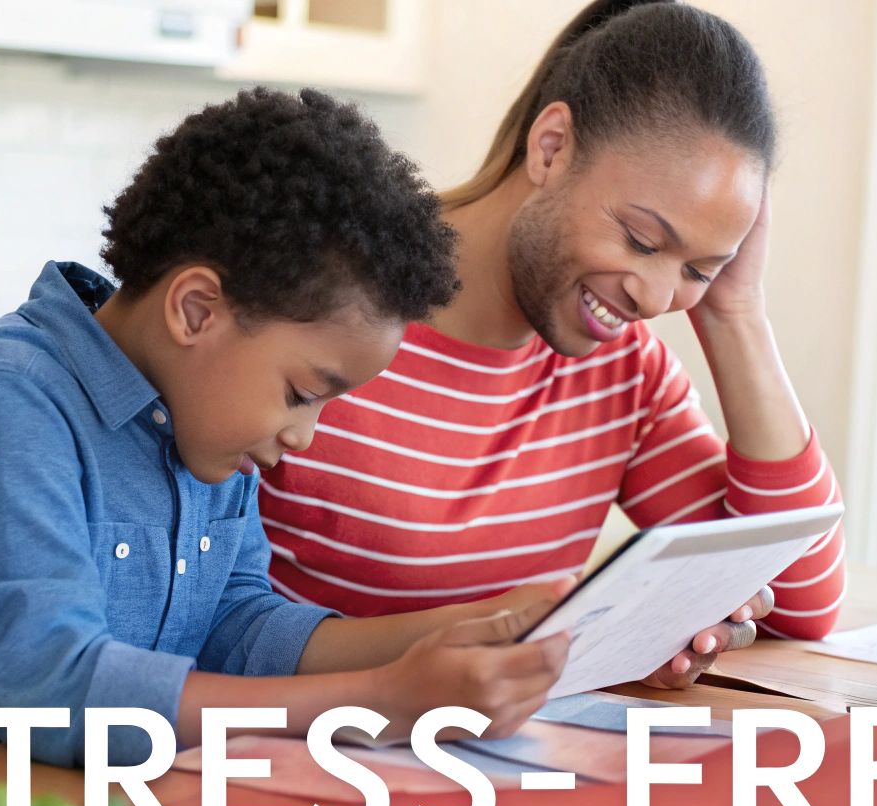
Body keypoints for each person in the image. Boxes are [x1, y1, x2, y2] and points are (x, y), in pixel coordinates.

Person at [0, 88, 575, 774]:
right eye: (301, 394)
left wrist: (476, 624)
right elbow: (55, 690)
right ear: (197, 310)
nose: (306, 436)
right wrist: (379, 701)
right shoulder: (6, 400)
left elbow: (240, 629)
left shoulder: (200, 428)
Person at [261, 0, 846, 688]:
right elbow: (202, 620)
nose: (656, 301)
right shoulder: (321, 310)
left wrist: (735, 313)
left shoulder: (623, 371)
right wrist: (532, 630)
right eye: (643, 240)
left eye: (696, 269)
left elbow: (802, 598)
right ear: (552, 147)